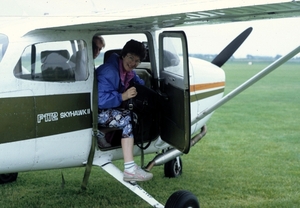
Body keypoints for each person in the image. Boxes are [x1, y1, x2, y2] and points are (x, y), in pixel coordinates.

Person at [96, 39, 153, 182]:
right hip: (95, 113)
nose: (133, 63)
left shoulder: (127, 72)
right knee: (128, 119)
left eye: (137, 61)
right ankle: (130, 169)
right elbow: (100, 101)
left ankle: (101, 133)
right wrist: (123, 96)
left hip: (106, 111)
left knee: (132, 116)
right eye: (130, 58)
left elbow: (139, 83)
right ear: (123, 55)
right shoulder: (110, 71)